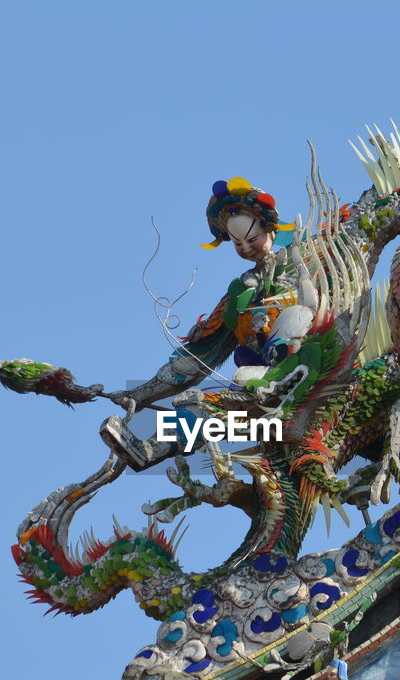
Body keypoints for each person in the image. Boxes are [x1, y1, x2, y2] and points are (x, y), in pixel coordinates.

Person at [101, 176, 309, 469]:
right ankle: (151, 449)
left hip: (310, 371)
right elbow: (202, 352)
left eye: (252, 239)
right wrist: (140, 394)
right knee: (199, 404)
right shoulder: (242, 291)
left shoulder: (308, 259)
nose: (246, 249)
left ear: (269, 228)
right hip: (263, 387)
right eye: (237, 243)